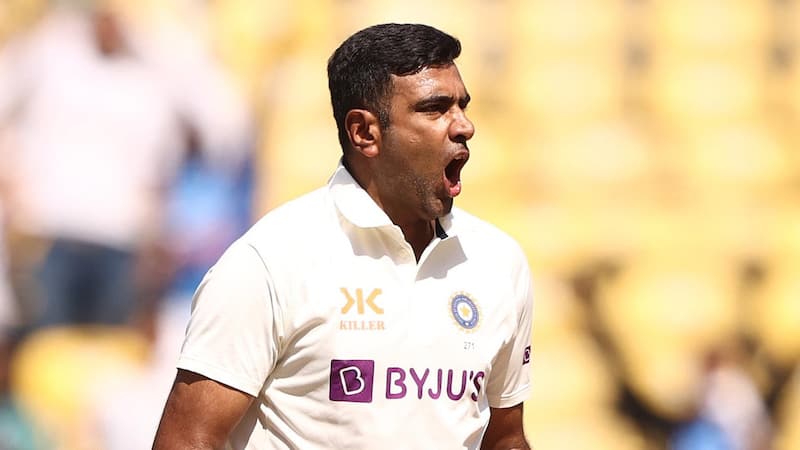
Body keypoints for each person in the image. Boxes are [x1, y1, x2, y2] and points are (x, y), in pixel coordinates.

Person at [153, 23, 534, 449]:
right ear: (364, 132)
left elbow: (505, 438)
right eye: (435, 108)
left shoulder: (499, 261)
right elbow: (186, 440)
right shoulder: (268, 262)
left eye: (462, 106)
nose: (464, 126)